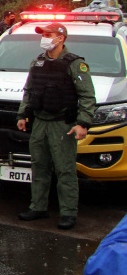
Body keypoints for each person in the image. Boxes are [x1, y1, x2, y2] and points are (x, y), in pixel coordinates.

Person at [16, 22, 95, 230]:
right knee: (39, 166)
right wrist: (23, 114)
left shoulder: (74, 64)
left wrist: (83, 123)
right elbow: (29, 91)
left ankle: (68, 212)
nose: (44, 38)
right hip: (40, 122)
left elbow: (87, 95)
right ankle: (38, 206)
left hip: (62, 124)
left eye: (48, 34)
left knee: (65, 169)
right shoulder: (38, 62)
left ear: (60, 38)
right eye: (43, 35)